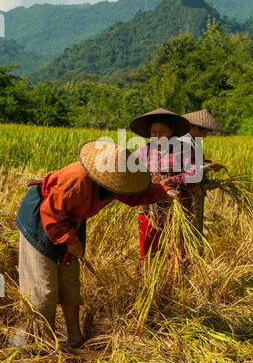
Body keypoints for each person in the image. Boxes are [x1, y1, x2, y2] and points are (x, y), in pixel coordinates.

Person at [16, 140, 179, 348]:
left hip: (72, 221)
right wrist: (70, 241)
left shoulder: (117, 180)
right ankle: (46, 342)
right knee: (44, 286)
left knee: (70, 281)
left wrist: (163, 191)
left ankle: (75, 336)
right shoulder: (76, 181)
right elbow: (51, 213)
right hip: (42, 219)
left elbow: (136, 194)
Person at [130, 108, 198, 262]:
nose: (158, 136)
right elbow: (132, 173)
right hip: (150, 208)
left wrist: (168, 182)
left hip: (177, 206)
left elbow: (194, 174)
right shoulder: (143, 150)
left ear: (172, 130)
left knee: (177, 250)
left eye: (162, 132)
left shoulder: (184, 149)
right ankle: (147, 281)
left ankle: (177, 283)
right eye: (154, 132)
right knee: (147, 250)